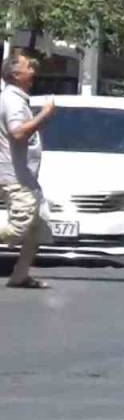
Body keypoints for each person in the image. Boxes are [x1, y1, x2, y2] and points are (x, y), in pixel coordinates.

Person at [0, 51, 55, 289]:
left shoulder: (17, 99)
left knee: (38, 227)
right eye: (27, 66)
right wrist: (45, 115)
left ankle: (20, 275)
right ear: (15, 74)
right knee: (19, 228)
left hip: (26, 175)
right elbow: (18, 133)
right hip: (15, 176)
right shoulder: (12, 100)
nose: (33, 70)